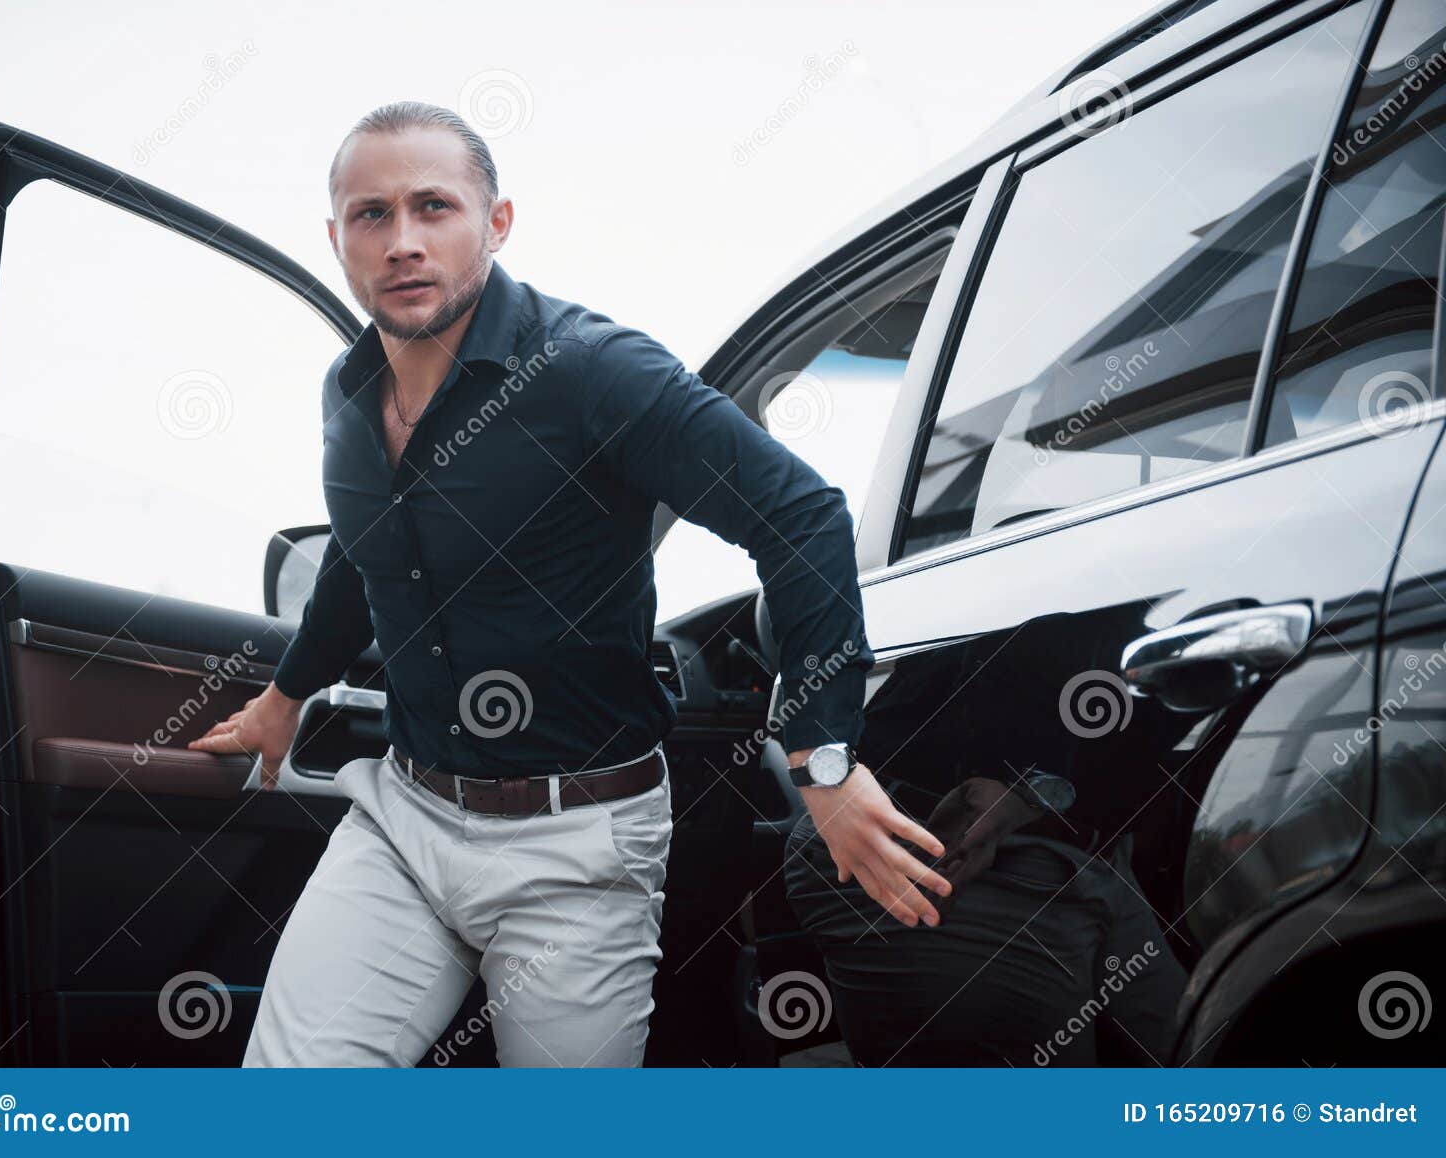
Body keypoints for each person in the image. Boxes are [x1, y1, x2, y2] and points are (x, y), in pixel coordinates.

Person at [189, 101, 952, 1067]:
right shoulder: (348, 392)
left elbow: (799, 516)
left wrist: (823, 762)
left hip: (579, 848)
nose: (403, 241)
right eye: (372, 216)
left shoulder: (594, 372)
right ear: (336, 237)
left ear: (496, 222)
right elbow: (360, 549)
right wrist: (283, 696)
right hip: (403, 819)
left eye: (434, 207)